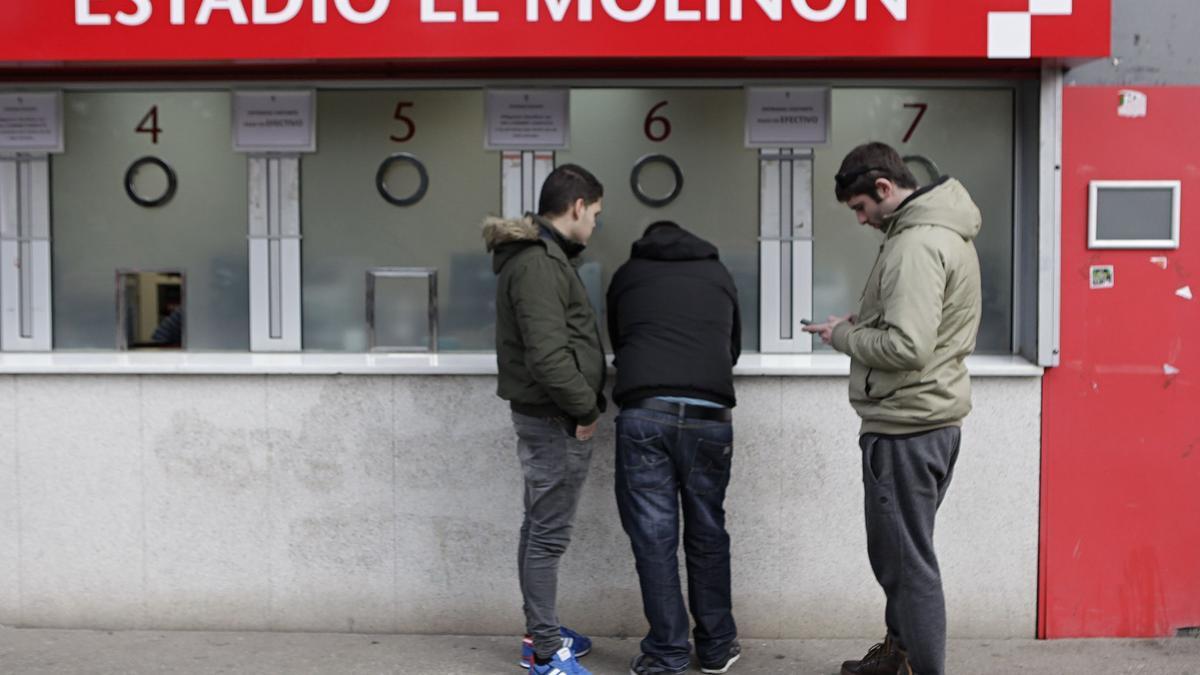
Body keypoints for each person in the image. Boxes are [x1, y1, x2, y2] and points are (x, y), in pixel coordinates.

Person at [803, 142, 982, 675]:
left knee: (908, 567)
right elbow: (924, 328)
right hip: (929, 420)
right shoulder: (939, 233)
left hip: (907, 426)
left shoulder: (915, 246)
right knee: (901, 559)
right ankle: (895, 658)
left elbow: (908, 348)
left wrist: (844, 336)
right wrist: (870, 324)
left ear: (884, 188)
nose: (860, 220)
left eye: (860, 208)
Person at [482, 164, 608, 675]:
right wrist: (585, 409)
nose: (596, 224)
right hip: (555, 419)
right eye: (596, 214)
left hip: (549, 416)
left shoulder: (546, 258)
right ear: (577, 206)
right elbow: (548, 356)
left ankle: (542, 631)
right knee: (548, 534)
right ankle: (544, 653)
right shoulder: (538, 264)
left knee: (538, 527)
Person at [606, 221, 742, 675]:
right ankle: (718, 646)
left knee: (654, 538)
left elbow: (619, 341)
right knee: (707, 532)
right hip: (710, 418)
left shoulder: (627, 274)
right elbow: (733, 348)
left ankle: (667, 654)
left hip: (646, 413)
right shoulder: (719, 273)